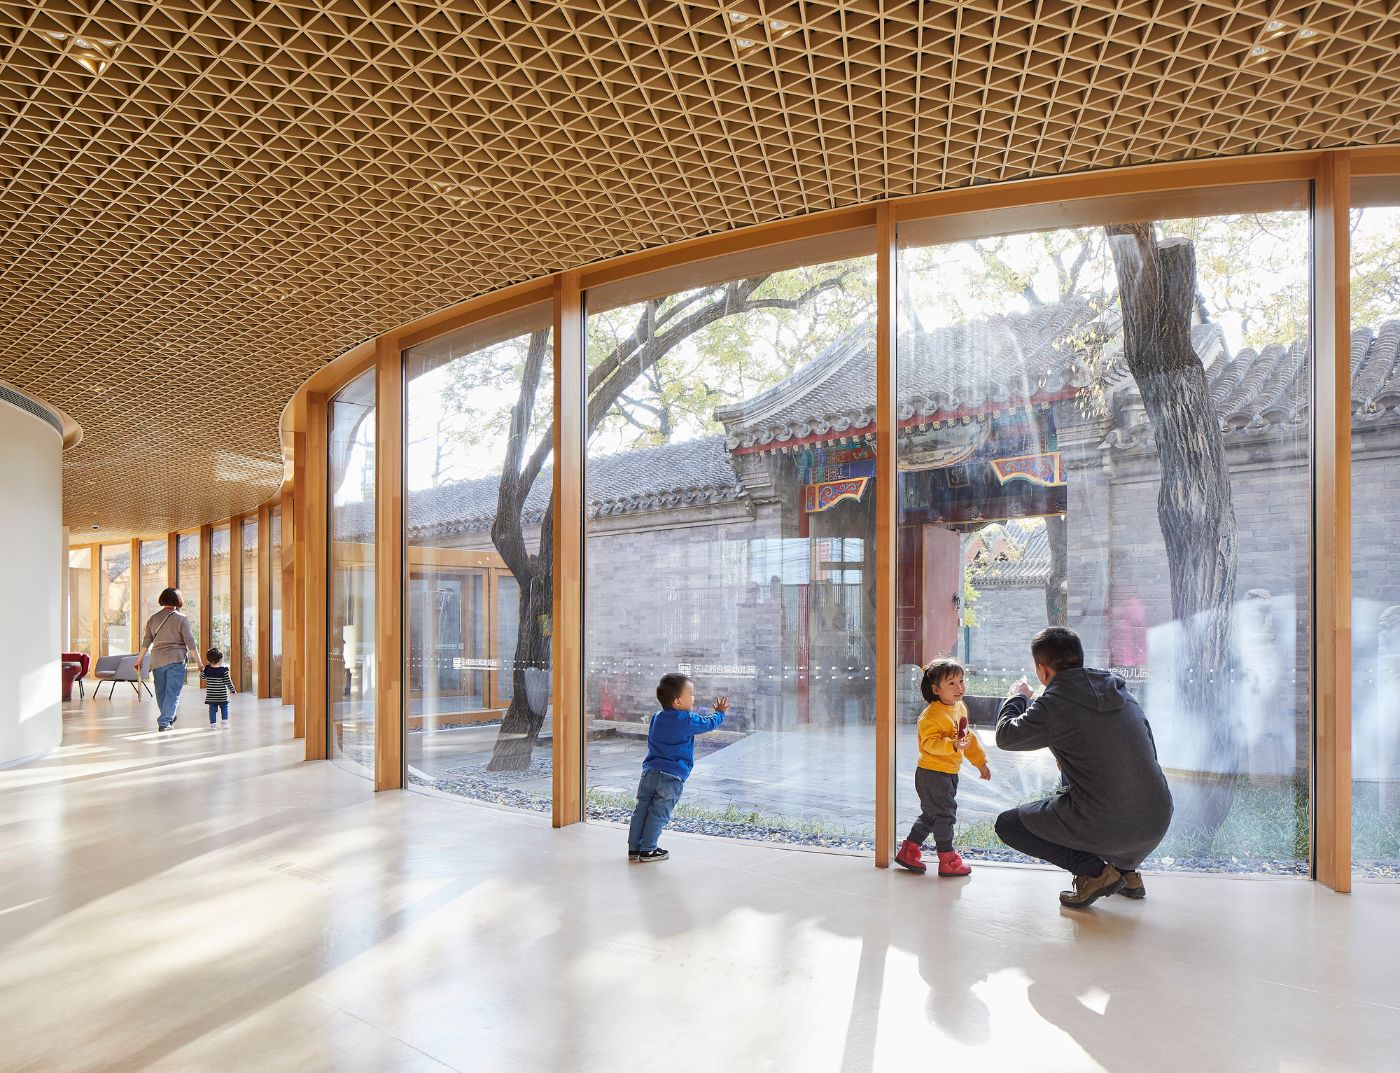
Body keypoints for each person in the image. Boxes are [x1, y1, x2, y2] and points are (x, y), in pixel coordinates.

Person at [994, 626, 1174, 910]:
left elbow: (1005, 737)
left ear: (1042, 670)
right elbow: (1144, 749)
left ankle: (1095, 872)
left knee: (1008, 825)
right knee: (1095, 783)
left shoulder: (1054, 704)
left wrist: (1017, 697)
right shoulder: (1120, 691)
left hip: (1112, 823)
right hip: (1157, 818)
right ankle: (1128, 874)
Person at [895, 658, 992, 877]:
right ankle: (947, 859)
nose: (960, 687)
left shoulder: (959, 708)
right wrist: (952, 744)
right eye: (952, 683)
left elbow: (968, 738)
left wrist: (980, 762)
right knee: (945, 815)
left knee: (932, 815)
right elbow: (929, 744)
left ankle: (908, 851)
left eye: (961, 680)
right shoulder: (930, 716)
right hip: (932, 774)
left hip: (948, 773)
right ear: (936, 689)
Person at [627, 672, 728, 863]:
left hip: (649, 773)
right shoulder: (687, 719)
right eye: (690, 694)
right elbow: (708, 724)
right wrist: (720, 713)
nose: (693, 698)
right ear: (678, 701)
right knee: (658, 813)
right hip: (671, 777)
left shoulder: (657, 717)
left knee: (641, 810)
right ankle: (648, 850)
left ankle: (634, 848)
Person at [134, 587, 203, 733]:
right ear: (178, 601)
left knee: (161, 692)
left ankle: (167, 716)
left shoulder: (153, 619)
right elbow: (190, 642)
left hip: (157, 659)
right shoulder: (182, 618)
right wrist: (199, 662)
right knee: (173, 692)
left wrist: (139, 660)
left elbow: (146, 642)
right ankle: (165, 721)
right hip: (176, 659)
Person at [202, 648, 235, 728]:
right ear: (220, 660)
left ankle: (213, 724)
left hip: (211, 695)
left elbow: (202, 677)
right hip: (222, 695)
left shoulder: (207, 669)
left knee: (212, 709)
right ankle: (225, 723)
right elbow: (228, 681)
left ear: (209, 660)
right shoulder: (224, 670)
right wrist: (232, 689)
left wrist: (201, 671)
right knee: (224, 707)